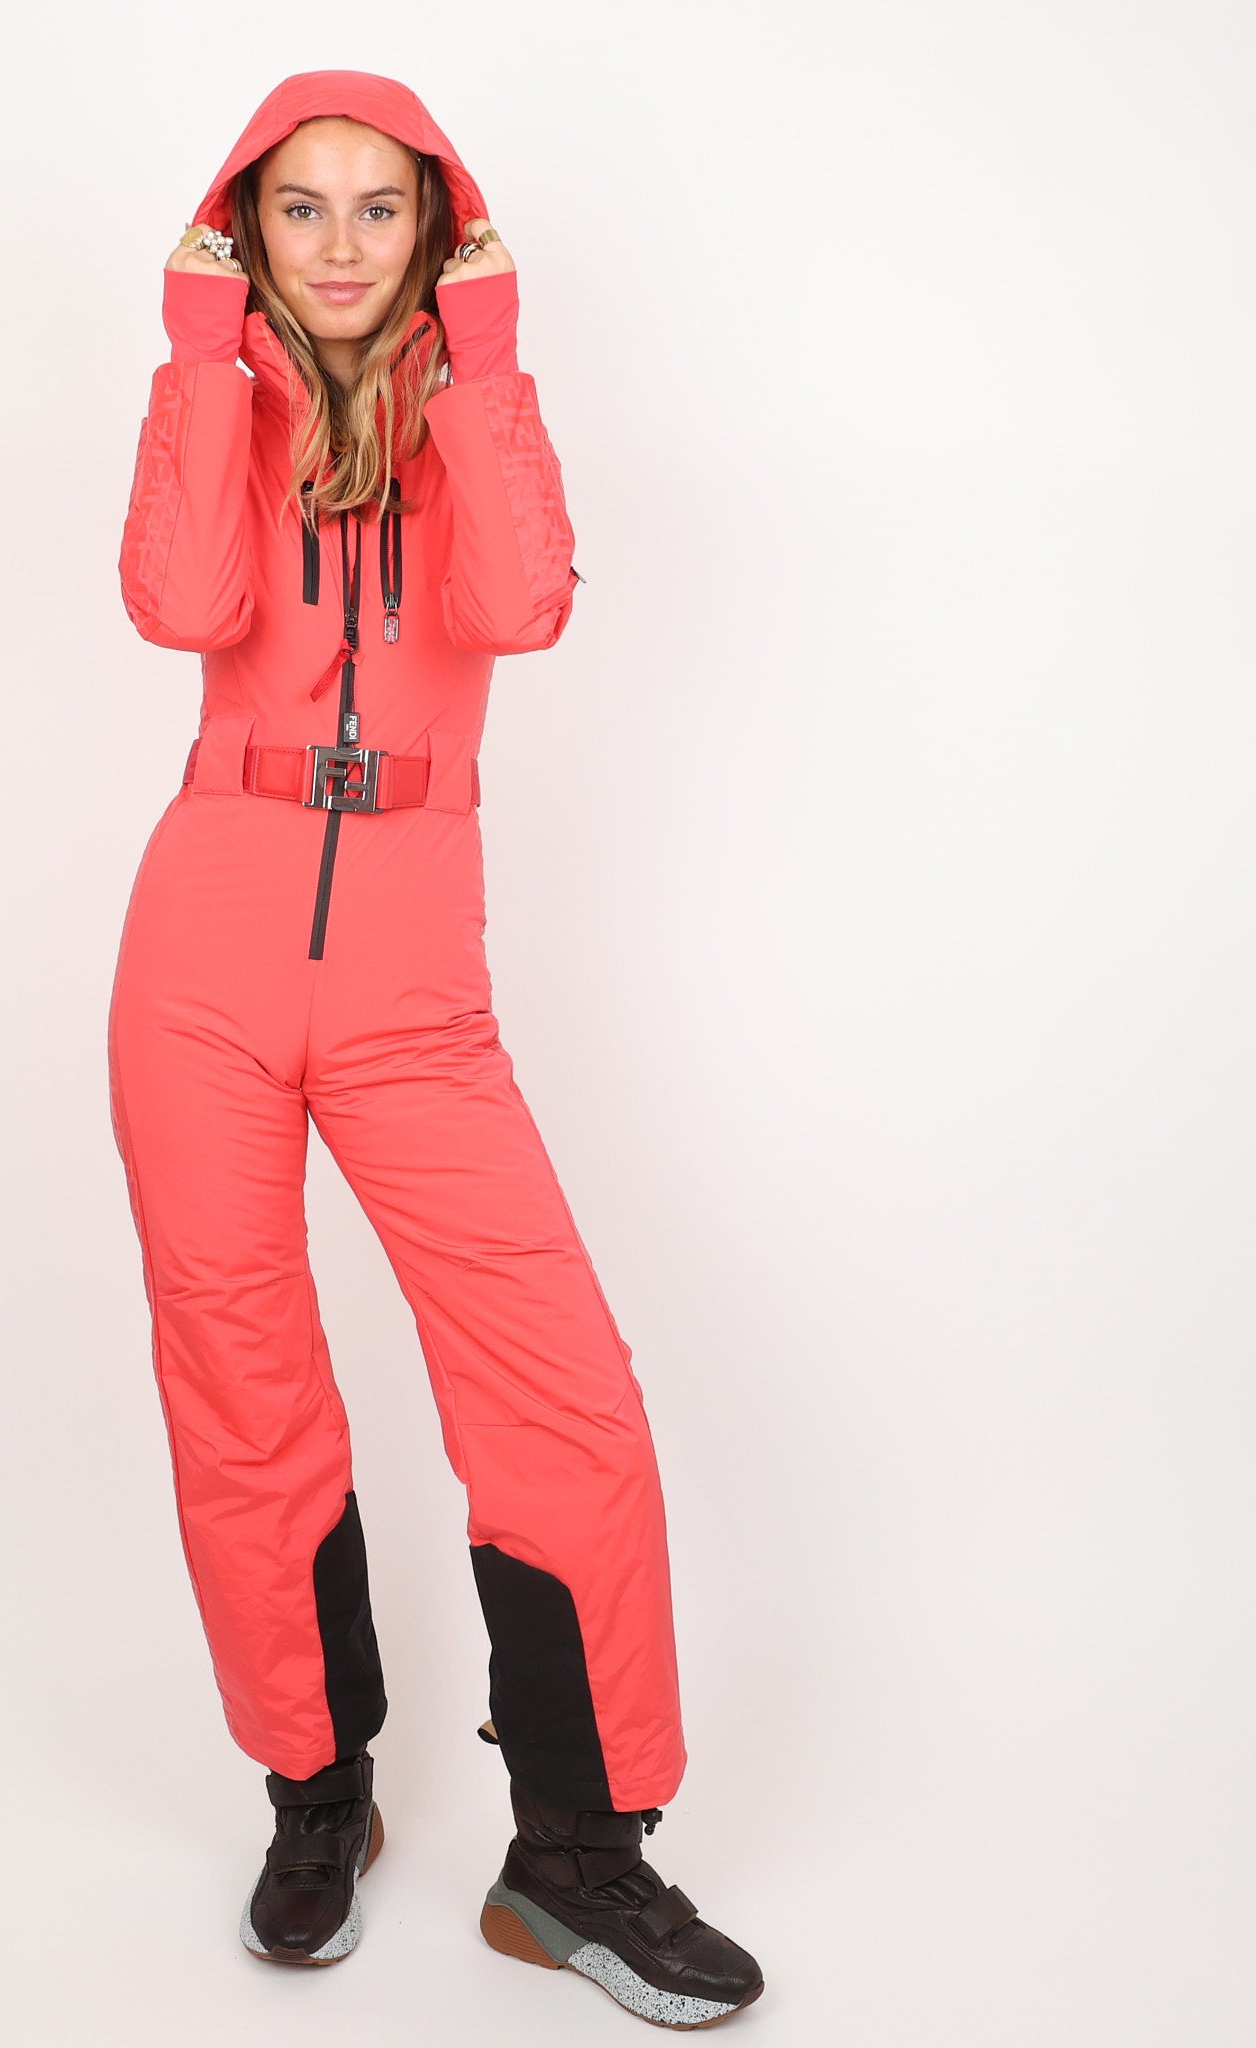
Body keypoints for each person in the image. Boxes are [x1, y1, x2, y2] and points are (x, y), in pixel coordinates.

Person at [108, 70, 765, 2029]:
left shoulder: (474, 414)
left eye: (377, 210)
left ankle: (576, 1858)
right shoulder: (217, 405)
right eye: (296, 209)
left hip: (411, 982)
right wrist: (194, 360)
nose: (336, 245)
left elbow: (521, 605)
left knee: (563, 1397)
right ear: (243, 232)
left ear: (437, 234)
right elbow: (180, 602)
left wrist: (487, 362)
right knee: (242, 1386)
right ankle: (316, 1793)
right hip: (201, 960)